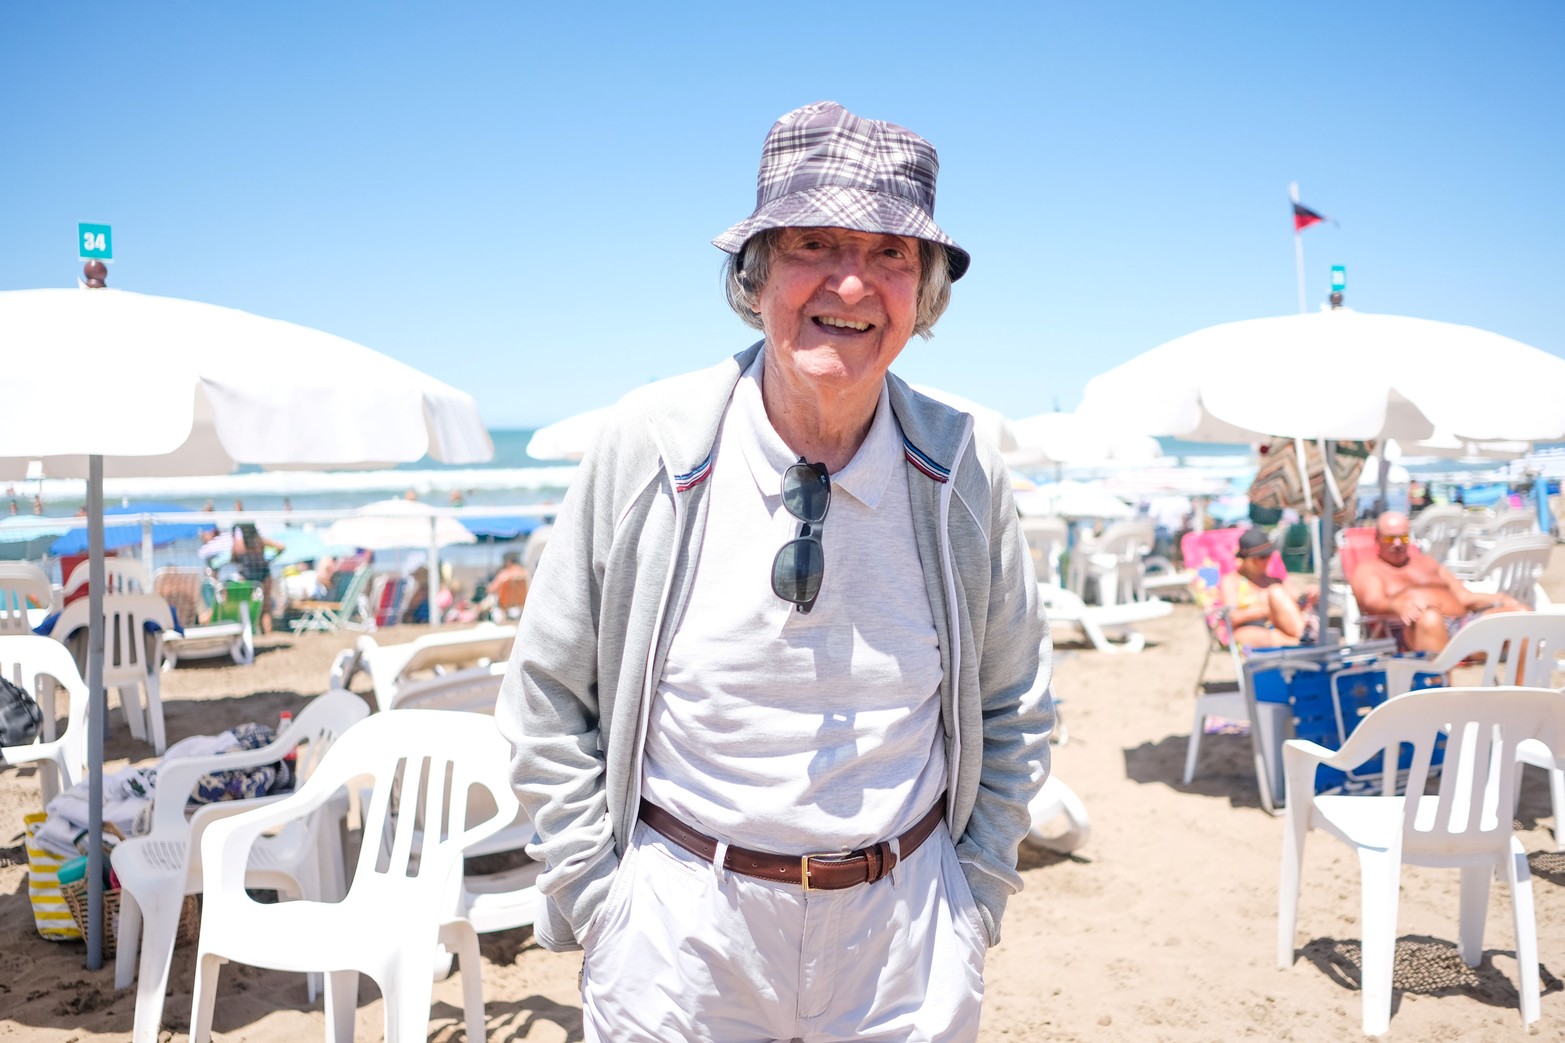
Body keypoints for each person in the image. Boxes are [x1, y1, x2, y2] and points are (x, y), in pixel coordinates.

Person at [495, 101, 1052, 1041]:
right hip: (678, 933)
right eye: (812, 243)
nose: (852, 281)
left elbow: (1016, 705)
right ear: (753, 277)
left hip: (905, 938)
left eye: (890, 253)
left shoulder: (961, 466)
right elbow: (549, 693)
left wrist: (973, 897)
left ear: (924, 293)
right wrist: (603, 902)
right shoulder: (652, 445)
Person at [1349, 510, 1525, 654]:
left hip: (1462, 624)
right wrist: (1398, 604)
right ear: (1377, 539)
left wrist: (1501, 599)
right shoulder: (1369, 569)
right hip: (1414, 630)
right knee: (1430, 618)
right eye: (1389, 538)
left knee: (1520, 615)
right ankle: (1442, 689)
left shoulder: (1426, 562)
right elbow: (1372, 601)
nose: (1397, 544)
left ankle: (1525, 692)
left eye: (1403, 538)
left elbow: (1464, 597)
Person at [1220, 527, 1308, 648]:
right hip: (1248, 629)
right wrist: (1266, 610)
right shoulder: (1232, 580)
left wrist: (1308, 597)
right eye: (1261, 557)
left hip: (1281, 628)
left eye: (1269, 555)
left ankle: (1304, 639)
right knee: (1273, 635)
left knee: (1276, 591)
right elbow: (1232, 617)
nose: (1267, 560)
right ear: (1245, 559)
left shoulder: (1275, 580)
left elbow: (1298, 599)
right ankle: (1305, 644)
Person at [228, 523, 285, 634]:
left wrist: (233, 537)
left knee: (247, 606)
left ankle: (251, 632)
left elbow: (233, 560)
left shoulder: (239, 544)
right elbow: (282, 547)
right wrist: (271, 558)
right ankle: (268, 633)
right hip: (263, 573)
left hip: (247, 576)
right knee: (266, 606)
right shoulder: (260, 541)